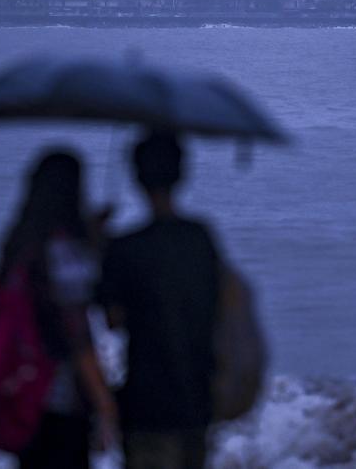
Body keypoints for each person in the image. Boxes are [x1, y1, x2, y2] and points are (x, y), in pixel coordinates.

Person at [98, 130, 223, 469]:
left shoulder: (125, 248)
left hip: (146, 404)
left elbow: (113, 321)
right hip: (197, 398)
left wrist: (97, 247)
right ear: (183, 173)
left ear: (137, 178)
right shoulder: (201, 238)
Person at [0, 150, 119, 469]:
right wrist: (104, 402)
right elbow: (77, 335)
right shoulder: (64, 254)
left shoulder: (19, 247)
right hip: (61, 400)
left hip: (22, 392)